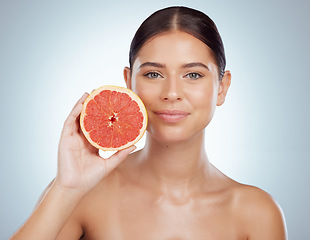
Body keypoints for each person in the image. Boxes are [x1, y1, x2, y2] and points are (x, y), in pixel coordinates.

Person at [11, 6, 287, 240]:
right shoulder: (83, 194)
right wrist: (66, 190)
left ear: (222, 88)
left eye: (193, 75)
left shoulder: (257, 213)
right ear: (129, 82)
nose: (172, 92)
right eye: (154, 74)